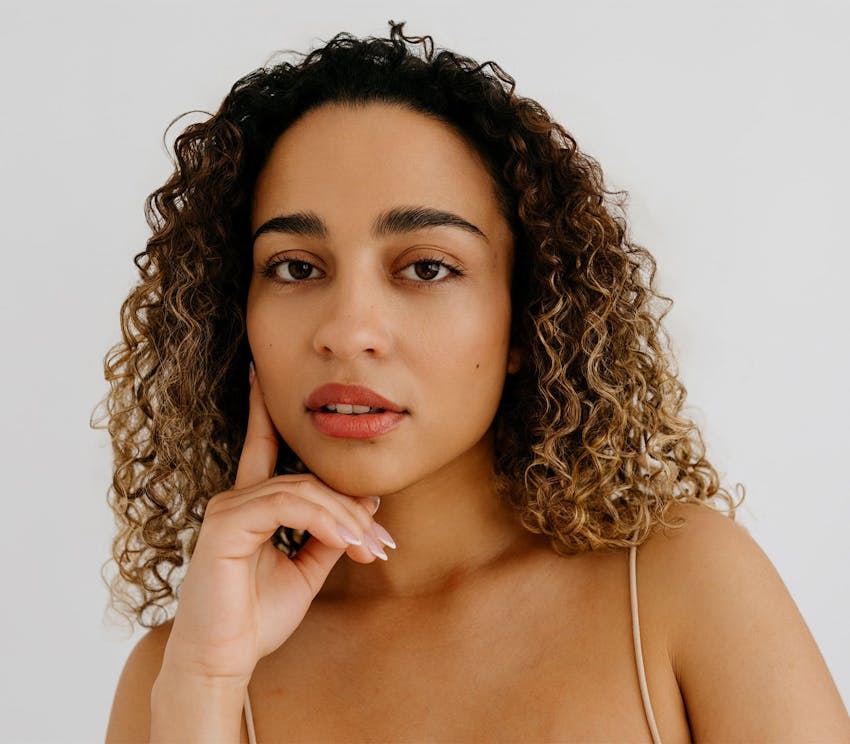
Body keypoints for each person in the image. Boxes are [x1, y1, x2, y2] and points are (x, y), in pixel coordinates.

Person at [102, 22, 849, 743]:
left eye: (427, 268)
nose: (347, 329)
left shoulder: (682, 586)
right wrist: (202, 685)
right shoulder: (181, 676)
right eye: (296, 267)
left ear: (527, 318)